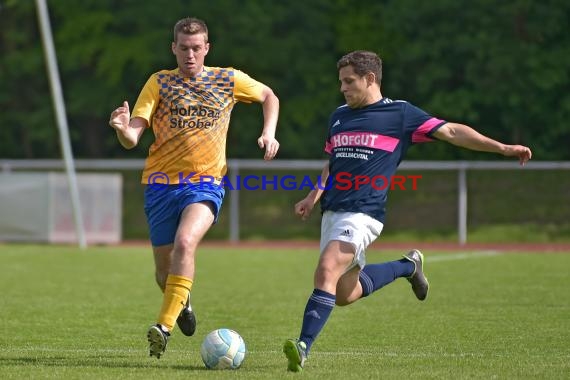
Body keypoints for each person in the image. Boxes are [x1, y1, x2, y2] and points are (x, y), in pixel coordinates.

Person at [283, 50, 531, 372]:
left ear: (370, 79)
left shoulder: (400, 114)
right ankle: (407, 266)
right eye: (341, 82)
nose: (343, 88)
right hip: (332, 212)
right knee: (344, 293)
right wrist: (312, 196)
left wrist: (502, 148)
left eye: (349, 81)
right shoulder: (338, 116)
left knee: (326, 269)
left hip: (364, 213)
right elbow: (333, 163)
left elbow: (453, 132)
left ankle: (302, 347)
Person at [109, 17, 280, 359]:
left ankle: (163, 327)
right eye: (183, 48)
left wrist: (269, 132)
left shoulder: (227, 79)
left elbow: (268, 95)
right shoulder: (158, 83)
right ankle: (183, 304)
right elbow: (133, 137)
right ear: (174, 48)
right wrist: (120, 128)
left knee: (186, 243)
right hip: (159, 185)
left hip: (205, 183)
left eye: (196, 48)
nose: (190, 54)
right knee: (163, 272)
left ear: (207, 49)